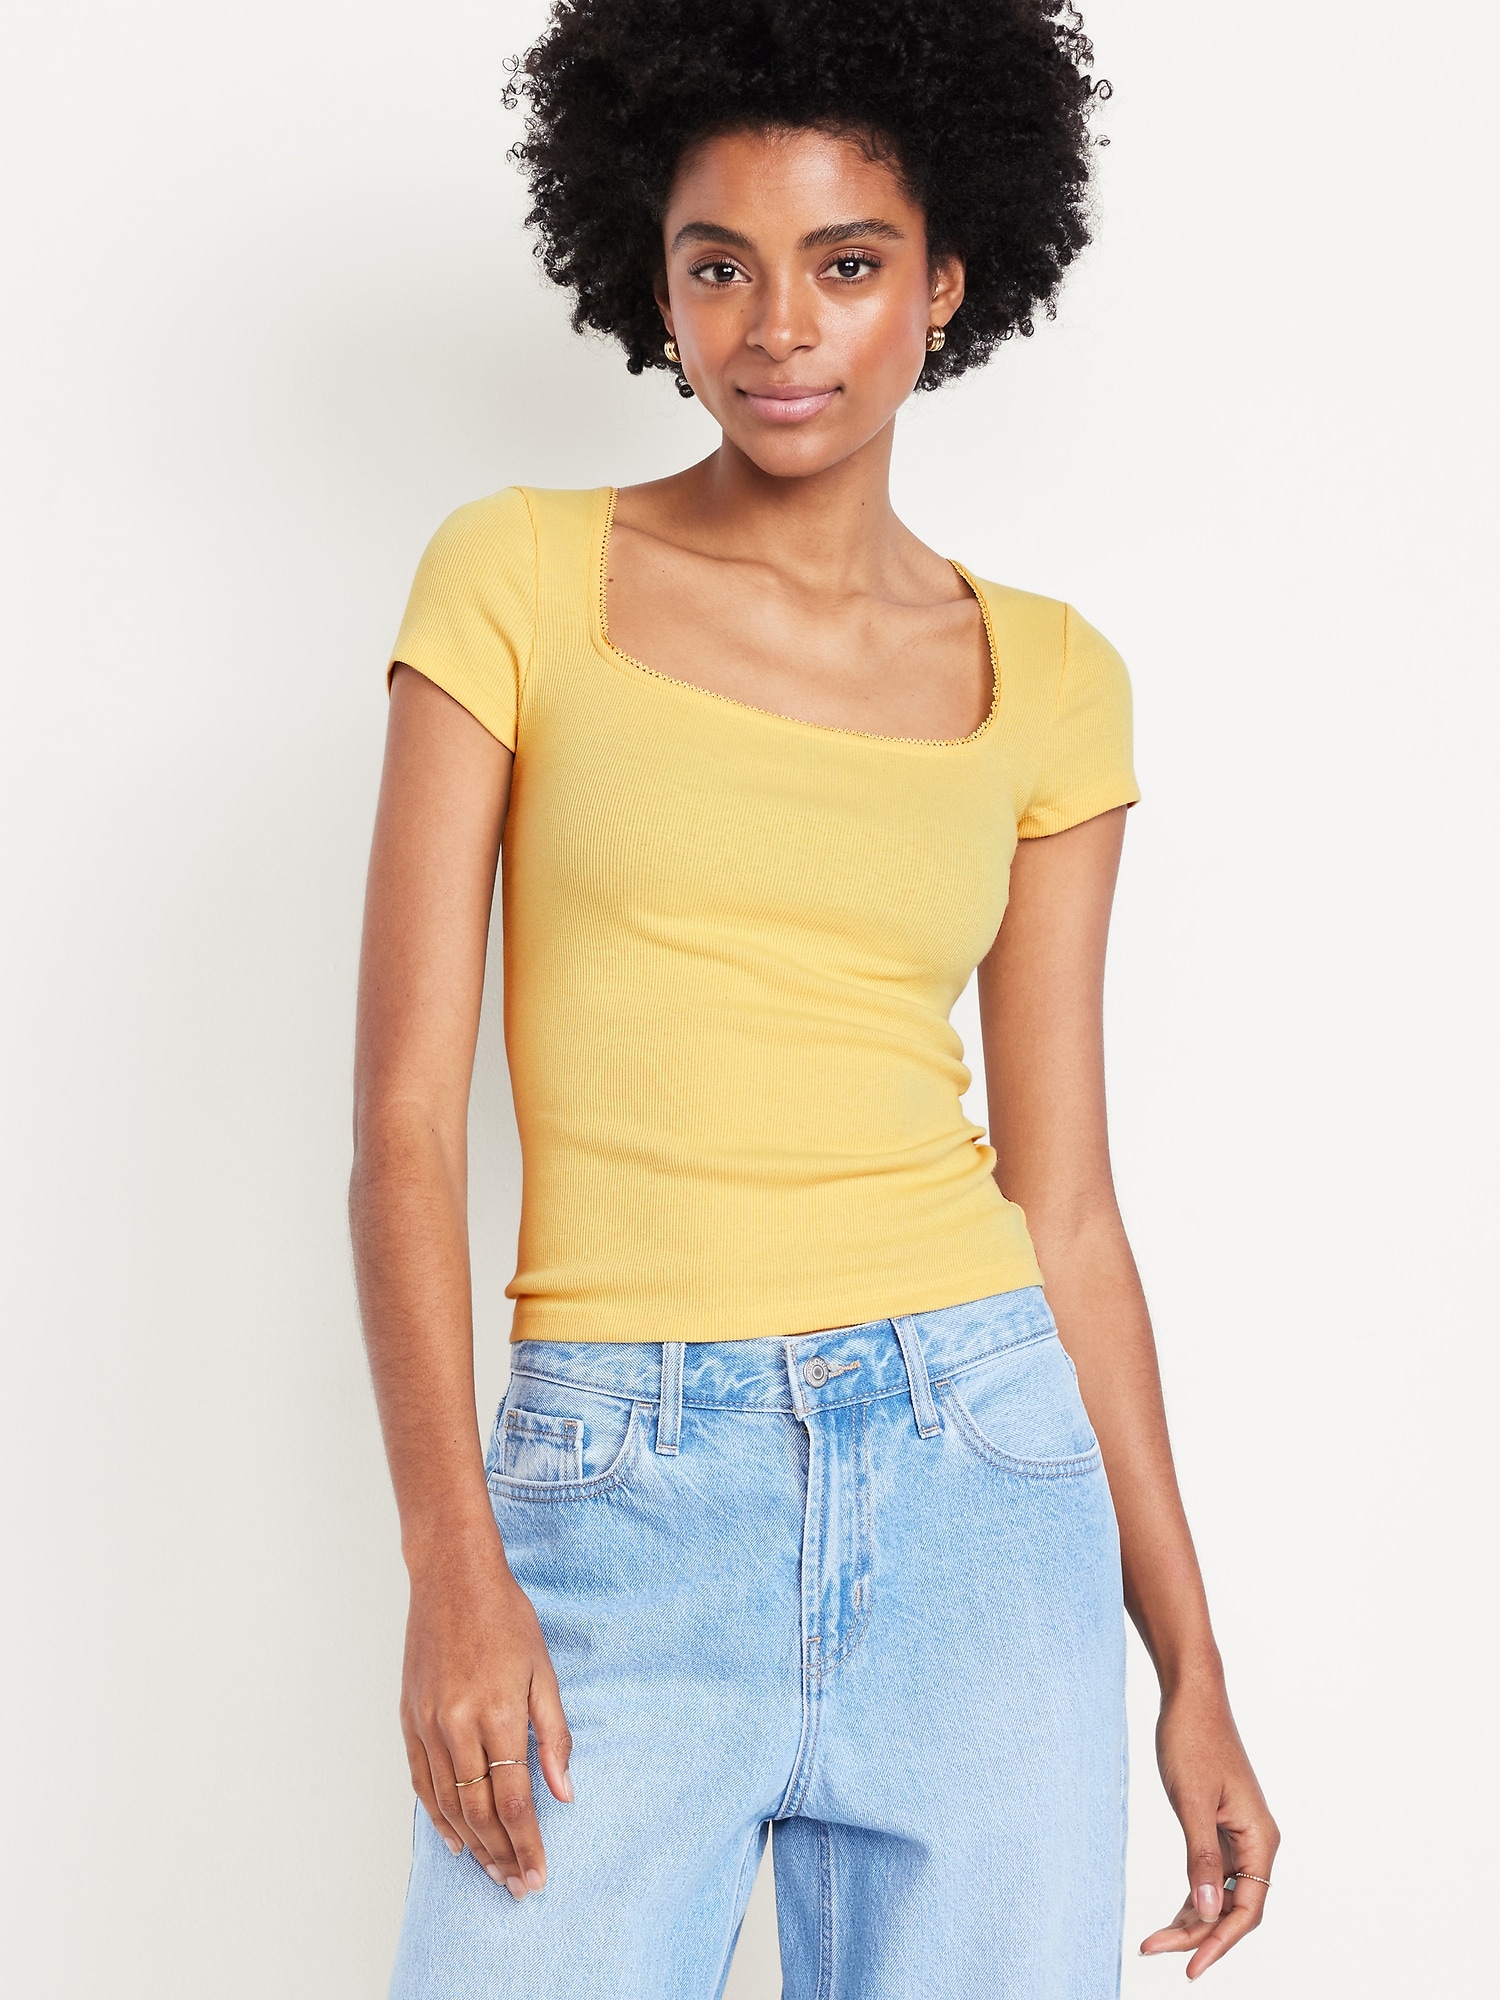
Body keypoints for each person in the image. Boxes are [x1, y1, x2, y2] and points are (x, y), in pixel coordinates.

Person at [349, 2, 1279, 1993]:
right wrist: (452, 1568)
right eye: (722, 266)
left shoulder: (1053, 678)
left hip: (981, 1483)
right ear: (654, 281)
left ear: (942, 283)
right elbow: (404, 1130)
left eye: (847, 264)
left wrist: (1189, 1661)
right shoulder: (516, 578)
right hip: (619, 1485)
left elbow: (1068, 1204)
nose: (780, 328)